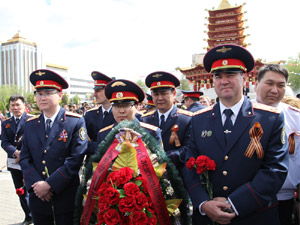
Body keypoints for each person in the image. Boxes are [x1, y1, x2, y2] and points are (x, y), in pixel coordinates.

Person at [183, 44, 289, 225]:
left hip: (254, 214)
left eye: (230, 75)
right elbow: (189, 165)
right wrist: (203, 203)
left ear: (244, 78)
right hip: (209, 217)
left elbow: (275, 169)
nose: (224, 81)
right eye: (218, 76)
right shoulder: (198, 119)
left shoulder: (270, 118)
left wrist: (235, 203)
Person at [19, 69, 88, 225]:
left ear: (60, 95)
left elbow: (75, 159)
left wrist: (50, 185)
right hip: (38, 196)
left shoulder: (74, 122)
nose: (42, 97)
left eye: (48, 92)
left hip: (64, 194)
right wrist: (37, 185)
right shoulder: (30, 124)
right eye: (39, 93)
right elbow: (24, 157)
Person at [254, 64, 300, 225]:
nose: (274, 90)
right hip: (246, 197)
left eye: (281, 85)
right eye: (269, 83)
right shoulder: (240, 115)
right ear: (256, 84)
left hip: (284, 198)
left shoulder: (295, 117)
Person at [142, 71, 193, 171]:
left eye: (164, 93)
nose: (160, 98)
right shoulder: (145, 119)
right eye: (156, 94)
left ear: (174, 93)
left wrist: (163, 157)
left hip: (178, 174)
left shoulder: (187, 119)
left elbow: (188, 149)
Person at [97, 79, 161, 143]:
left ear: (136, 107)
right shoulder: (104, 134)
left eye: (126, 105)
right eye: (116, 106)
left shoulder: (152, 133)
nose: (121, 111)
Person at [1, 95, 33, 225]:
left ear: (24, 106)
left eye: (18, 105)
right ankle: (28, 216)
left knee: (32, 190)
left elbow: (35, 141)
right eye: (12, 105)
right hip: (14, 162)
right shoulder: (6, 123)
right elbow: (4, 142)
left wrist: (23, 154)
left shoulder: (32, 120)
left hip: (30, 161)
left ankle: (37, 216)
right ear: (9, 107)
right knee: (20, 191)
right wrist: (15, 152)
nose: (15, 108)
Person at [84, 71, 115, 155]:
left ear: (108, 90)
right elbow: (82, 144)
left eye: (98, 90)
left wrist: (93, 145)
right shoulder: (90, 115)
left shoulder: (121, 114)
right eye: (94, 90)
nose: (94, 94)